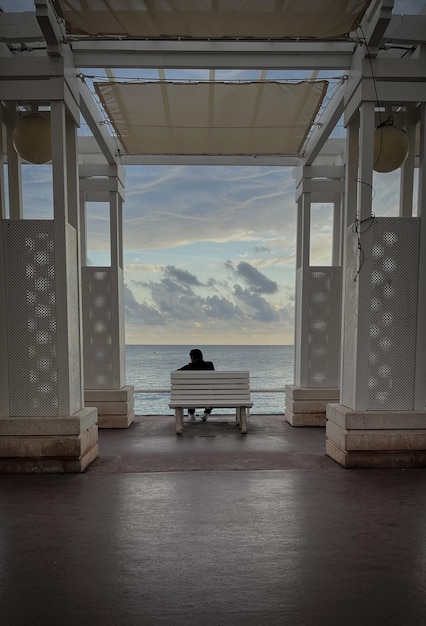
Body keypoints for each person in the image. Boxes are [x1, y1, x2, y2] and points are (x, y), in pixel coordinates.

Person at [178, 348, 215, 421]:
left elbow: (176, 373)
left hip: (192, 397)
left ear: (191, 357)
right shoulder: (210, 365)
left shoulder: (188, 368)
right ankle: (206, 413)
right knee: (209, 391)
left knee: (190, 390)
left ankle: (191, 413)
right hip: (208, 396)